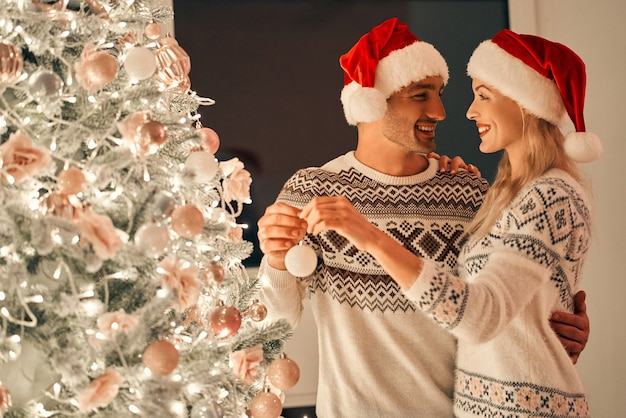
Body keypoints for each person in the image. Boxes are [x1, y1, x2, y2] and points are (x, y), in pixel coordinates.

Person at [256, 19, 591, 417]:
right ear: (373, 101)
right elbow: (273, 325)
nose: (441, 111)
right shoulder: (313, 191)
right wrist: (276, 261)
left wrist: (560, 327)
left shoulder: (467, 191)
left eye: (439, 93)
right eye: (420, 95)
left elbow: (495, 305)